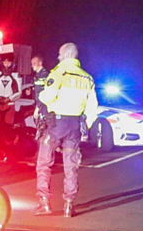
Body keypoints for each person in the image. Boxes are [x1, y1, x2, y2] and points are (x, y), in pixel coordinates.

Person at [34, 43, 98, 218]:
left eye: (60, 54)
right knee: (71, 166)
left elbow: (47, 97)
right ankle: (69, 204)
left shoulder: (59, 73)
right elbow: (92, 108)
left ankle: (44, 203)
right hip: (75, 126)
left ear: (67, 54)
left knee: (44, 162)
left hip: (56, 125)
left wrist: (40, 95)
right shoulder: (87, 78)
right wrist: (86, 126)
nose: (58, 57)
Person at [0, 56, 22, 159]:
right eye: (5, 62)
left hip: (9, 105)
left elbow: (19, 92)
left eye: (9, 62)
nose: (7, 64)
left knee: (8, 130)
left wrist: (9, 99)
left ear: (12, 63)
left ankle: (8, 153)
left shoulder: (16, 76)